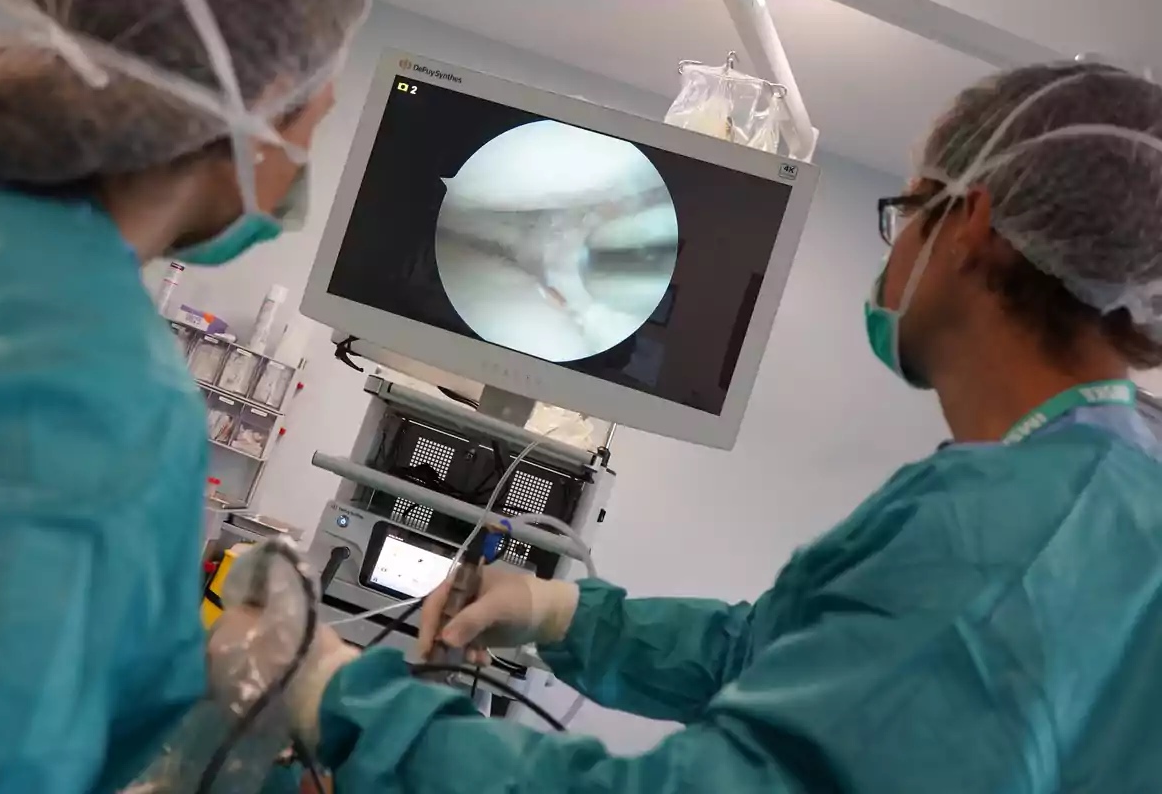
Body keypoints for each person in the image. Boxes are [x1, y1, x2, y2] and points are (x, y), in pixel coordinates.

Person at [260, 62, 1162, 792]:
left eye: (904, 216)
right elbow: (781, 655)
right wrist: (565, 616)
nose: (891, 264)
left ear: (968, 225)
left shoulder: (1008, 541)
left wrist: (344, 700)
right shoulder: (1085, 488)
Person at [0, 0, 368, 792]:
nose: (302, 166)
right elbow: (3, 750)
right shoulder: (106, 386)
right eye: (314, 125)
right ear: (257, 111)